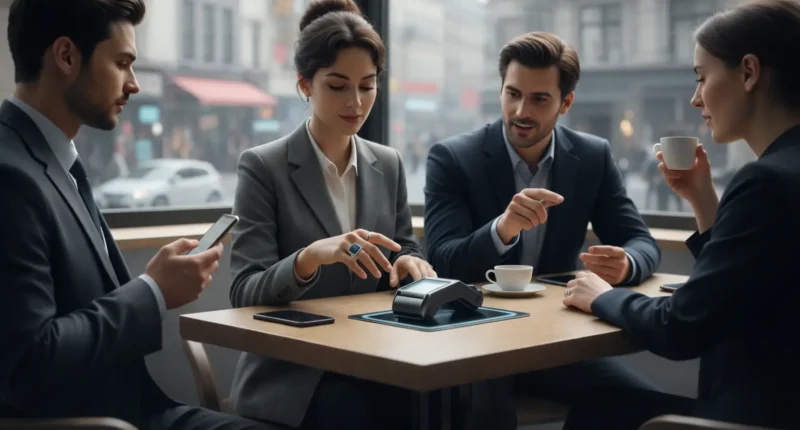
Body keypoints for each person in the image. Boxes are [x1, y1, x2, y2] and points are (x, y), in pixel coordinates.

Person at [0, 1, 279, 429]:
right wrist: (153, 291)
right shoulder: (11, 175)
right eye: (123, 63)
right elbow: (30, 361)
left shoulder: (53, 161)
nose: (134, 84)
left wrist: (152, 280)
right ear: (67, 56)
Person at [563, 1, 800, 429]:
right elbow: (742, 283)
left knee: (598, 409)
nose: (695, 99)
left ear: (749, 72)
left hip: (753, 418)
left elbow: (682, 328)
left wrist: (601, 295)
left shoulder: (765, 182)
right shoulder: (783, 175)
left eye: (701, 78)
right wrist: (702, 200)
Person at [423, 30, 662, 422]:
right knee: (487, 413)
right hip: (473, 344)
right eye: (512, 94)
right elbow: (443, 264)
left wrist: (628, 264)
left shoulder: (592, 156)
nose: (521, 111)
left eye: (539, 99)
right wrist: (502, 228)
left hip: (554, 345)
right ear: (501, 90)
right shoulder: (453, 158)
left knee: (642, 404)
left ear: (565, 103)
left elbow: (639, 240)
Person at [227, 1, 441, 429]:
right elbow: (243, 291)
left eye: (368, 85)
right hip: (296, 374)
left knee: (451, 399)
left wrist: (408, 261)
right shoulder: (263, 166)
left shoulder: (389, 162)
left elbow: (405, 245)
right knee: (361, 412)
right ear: (305, 85)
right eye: (338, 86)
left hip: (378, 354)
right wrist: (310, 257)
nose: (356, 102)